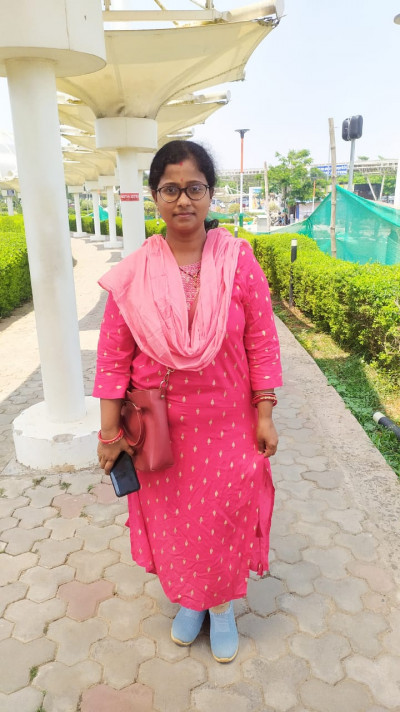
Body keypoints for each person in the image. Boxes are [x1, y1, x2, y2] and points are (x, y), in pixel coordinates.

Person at [94, 140, 282, 663]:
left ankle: (220, 605)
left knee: (224, 514)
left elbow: (262, 340)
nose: (183, 200)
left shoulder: (239, 261)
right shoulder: (134, 272)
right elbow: (112, 358)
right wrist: (110, 434)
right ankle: (191, 600)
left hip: (229, 422)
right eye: (170, 189)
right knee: (177, 521)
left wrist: (265, 413)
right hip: (161, 429)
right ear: (155, 196)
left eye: (194, 188)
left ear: (210, 194)